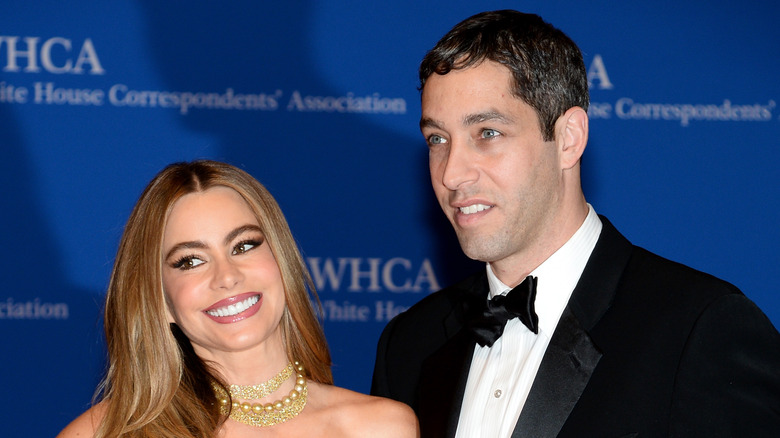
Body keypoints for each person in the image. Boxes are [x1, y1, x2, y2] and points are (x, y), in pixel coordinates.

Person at [371, 10, 780, 438]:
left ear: (568, 138)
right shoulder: (408, 345)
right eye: (438, 139)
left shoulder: (698, 331)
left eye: (487, 133)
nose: (452, 173)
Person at [58, 160, 418, 438]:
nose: (227, 276)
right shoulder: (105, 432)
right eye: (190, 261)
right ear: (159, 299)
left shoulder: (383, 427)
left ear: (282, 261)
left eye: (243, 246)